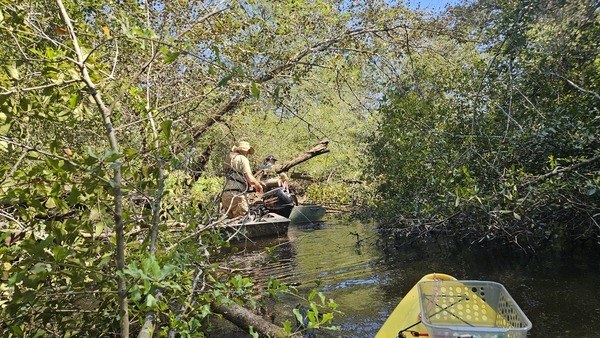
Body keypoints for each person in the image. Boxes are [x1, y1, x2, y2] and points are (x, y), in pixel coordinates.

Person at [222, 141, 263, 218]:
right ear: (245, 151)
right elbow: (250, 179)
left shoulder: (227, 158)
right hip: (237, 195)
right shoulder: (243, 159)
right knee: (242, 220)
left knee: (230, 222)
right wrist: (258, 185)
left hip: (225, 195)